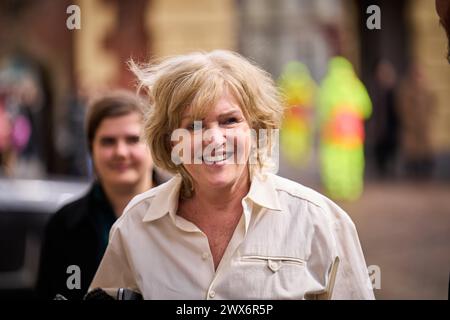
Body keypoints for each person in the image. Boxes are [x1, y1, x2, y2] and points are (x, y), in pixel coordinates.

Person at [89, 50, 374, 299]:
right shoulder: (136, 225)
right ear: (171, 141)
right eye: (193, 126)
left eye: (229, 121)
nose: (214, 139)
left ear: (256, 128)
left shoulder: (319, 222)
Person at [36, 90, 158, 300]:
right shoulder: (64, 224)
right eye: (108, 141)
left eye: (132, 139)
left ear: (153, 145)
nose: (120, 152)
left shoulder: (188, 213)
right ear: (91, 149)